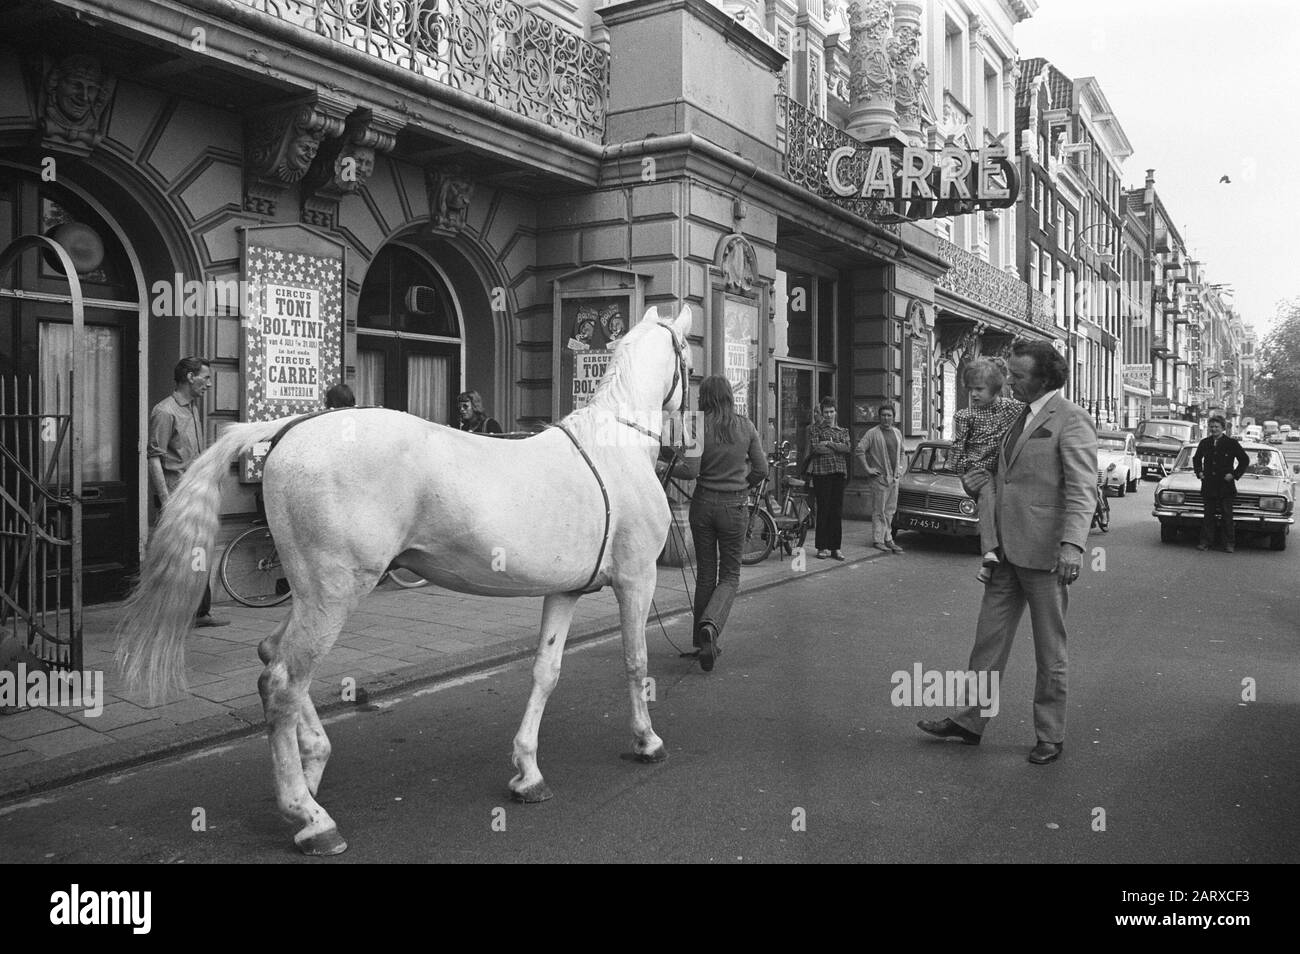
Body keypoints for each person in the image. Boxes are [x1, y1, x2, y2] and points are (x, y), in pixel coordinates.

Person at [917, 340, 1096, 765]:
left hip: (1046, 553)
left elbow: (1083, 487)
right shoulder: (1017, 417)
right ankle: (968, 721)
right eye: (1010, 373)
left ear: (1045, 378)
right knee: (988, 642)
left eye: (1018, 376)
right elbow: (1004, 475)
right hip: (1004, 551)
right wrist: (977, 482)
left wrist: (1072, 543)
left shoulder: (1071, 419)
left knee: (1050, 649)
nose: (1009, 381)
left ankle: (1050, 734)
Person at [662, 376, 766, 672]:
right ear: (729, 396)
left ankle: (700, 640)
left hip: (703, 504)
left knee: (706, 574)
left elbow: (691, 471)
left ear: (704, 397)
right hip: (734, 506)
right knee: (730, 575)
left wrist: (663, 466)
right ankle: (711, 626)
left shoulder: (696, 424)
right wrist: (741, 484)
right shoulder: (745, 425)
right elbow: (762, 468)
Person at [147, 356, 227, 628]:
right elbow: (154, 457)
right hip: (176, 496)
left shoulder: (192, 408)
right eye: (205, 377)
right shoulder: (165, 411)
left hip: (197, 494)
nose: (209, 383)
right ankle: (169, 614)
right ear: (190, 377)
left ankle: (199, 612)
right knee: (177, 556)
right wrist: (167, 500)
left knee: (200, 552)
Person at [949, 358, 1025, 583]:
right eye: (970, 389)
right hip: (978, 472)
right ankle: (989, 552)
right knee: (988, 500)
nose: (973, 394)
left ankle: (991, 566)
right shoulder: (965, 416)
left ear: (994, 388)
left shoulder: (1012, 409)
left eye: (979, 389)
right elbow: (957, 449)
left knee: (1001, 512)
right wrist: (964, 472)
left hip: (1002, 473)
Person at [855, 403, 907, 554]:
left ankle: (888, 538)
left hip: (894, 479)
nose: (886, 418)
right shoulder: (872, 433)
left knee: (890, 510)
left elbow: (903, 452)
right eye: (883, 415)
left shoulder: (897, 433)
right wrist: (868, 469)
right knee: (879, 510)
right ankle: (878, 539)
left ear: (893, 417)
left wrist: (900, 470)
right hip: (879, 479)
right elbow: (860, 450)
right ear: (879, 417)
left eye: (889, 415)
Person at [1192, 414, 1249, 553]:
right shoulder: (1204, 442)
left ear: (1223, 428)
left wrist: (1234, 475)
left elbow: (1244, 460)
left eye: (1217, 427)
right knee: (1208, 516)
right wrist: (1199, 472)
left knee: (1227, 516)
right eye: (1211, 427)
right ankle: (1205, 542)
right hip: (1209, 486)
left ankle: (1229, 544)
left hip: (1225, 486)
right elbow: (1196, 459)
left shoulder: (1231, 443)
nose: (1214, 429)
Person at [805, 397, 851, 560]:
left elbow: (847, 448)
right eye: (826, 412)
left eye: (831, 411)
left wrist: (830, 444)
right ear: (822, 413)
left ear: (835, 412)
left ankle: (835, 548)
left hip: (839, 473)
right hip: (821, 473)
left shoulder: (843, 430)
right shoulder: (815, 429)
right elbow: (816, 448)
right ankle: (821, 547)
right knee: (823, 509)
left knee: (836, 511)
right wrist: (835, 447)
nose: (829, 415)